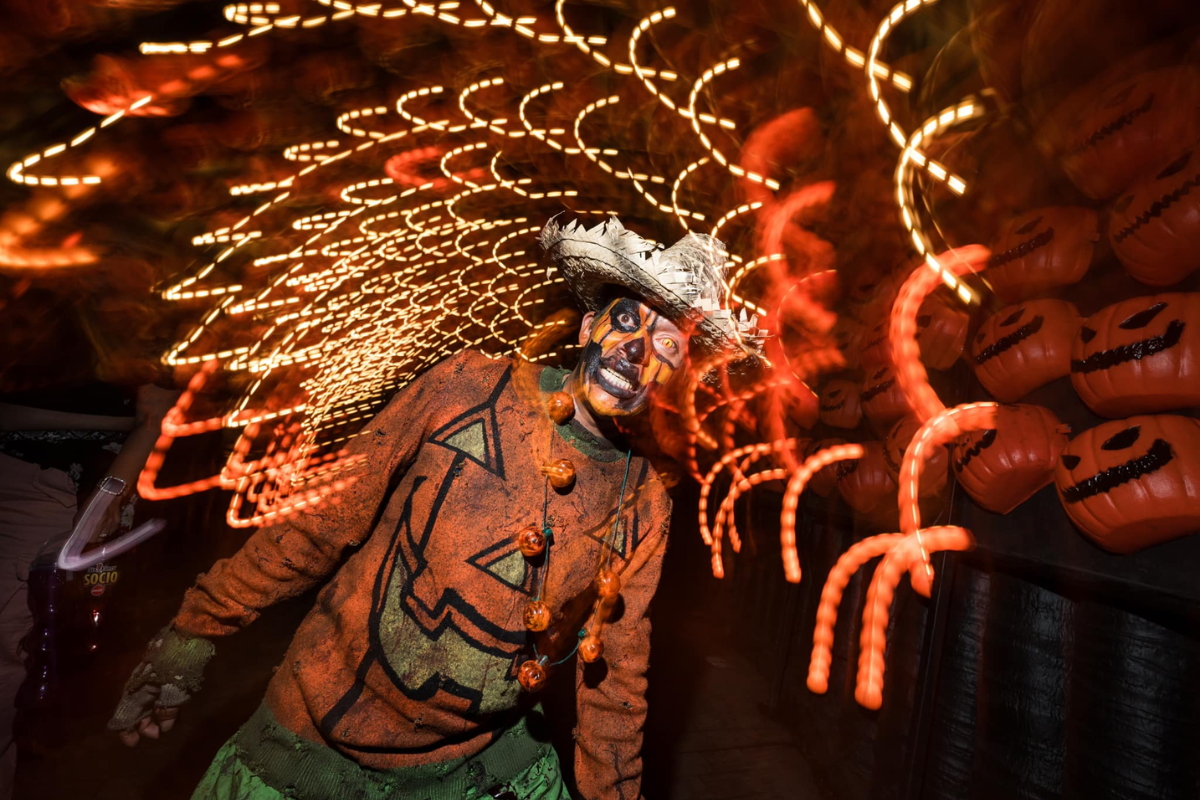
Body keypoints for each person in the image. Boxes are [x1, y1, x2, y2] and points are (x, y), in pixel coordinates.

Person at [106, 217, 762, 800]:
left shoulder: (643, 499)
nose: (635, 350)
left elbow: (615, 678)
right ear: (590, 325)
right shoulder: (471, 389)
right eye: (624, 322)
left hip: (481, 771)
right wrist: (196, 631)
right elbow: (322, 522)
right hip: (317, 741)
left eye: (667, 348)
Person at [0, 382, 177, 800]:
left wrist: (116, 484)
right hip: (23, 477)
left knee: (11, 664)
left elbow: (161, 403)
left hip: (48, 492)